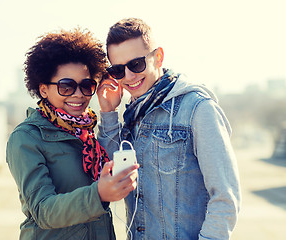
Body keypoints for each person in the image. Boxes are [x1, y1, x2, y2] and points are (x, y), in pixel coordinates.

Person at [97, 18, 241, 240]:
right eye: (118, 70)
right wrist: (108, 112)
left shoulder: (198, 109)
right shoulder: (134, 114)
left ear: (158, 57)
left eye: (136, 64)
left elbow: (225, 197)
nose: (128, 77)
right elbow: (113, 174)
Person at [6, 28, 139, 240]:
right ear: (43, 89)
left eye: (86, 85)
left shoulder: (85, 132)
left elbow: (109, 164)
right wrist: (98, 195)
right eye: (66, 86)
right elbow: (42, 210)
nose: (78, 94)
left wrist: (108, 111)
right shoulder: (26, 138)